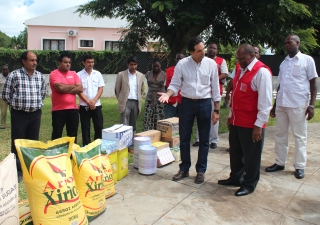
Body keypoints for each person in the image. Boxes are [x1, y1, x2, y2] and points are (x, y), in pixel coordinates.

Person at [158, 36, 220, 184]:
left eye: (203, 49)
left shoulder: (211, 64)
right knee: (184, 138)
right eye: (199, 50)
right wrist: (167, 94)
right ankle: (184, 168)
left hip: (205, 103)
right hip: (186, 104)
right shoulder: (182, 64)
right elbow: (174, 85)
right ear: (191, 52)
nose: (203, 52)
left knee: (204, 139)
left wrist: (216, 109)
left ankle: (200, 170)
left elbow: (215, 88)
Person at [218, 44, 272, 196]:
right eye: (238, 58)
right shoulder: (241, 70)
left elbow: (265, 103)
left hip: (251, 123)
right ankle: (236, 178)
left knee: (251, 156)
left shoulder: (261, 72)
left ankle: (249, 184)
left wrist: (259, 126)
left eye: (242, 59)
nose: (239, 61)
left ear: (251, 56)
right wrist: (230, 116)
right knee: (235, 153)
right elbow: (236, 95)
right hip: (236, 120)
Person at [265, 34, 318, 179]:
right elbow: (281, 85)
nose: (287, 45)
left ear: (298, 43)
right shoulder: (284, 63)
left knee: (299, 136)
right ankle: (279, 162)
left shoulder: (307, 60)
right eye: (285, 43)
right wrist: (275, 105)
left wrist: (312, 105)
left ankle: (300, 166)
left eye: (289, 42)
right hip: (282, 104)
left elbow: (313, 83)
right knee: (280, 135)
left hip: (298, 104)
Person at [2, 51, 46, 180]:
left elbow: (43, 93)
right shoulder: (14, 75)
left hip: (36, 113)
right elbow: (5, 94)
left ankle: (30, 169)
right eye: (31, 60)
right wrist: (16, 104)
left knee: (32, 142)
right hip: (19, 114)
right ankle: (18, 171)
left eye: (35, 60)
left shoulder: (39, 76)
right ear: (23, 61)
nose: (34, 63)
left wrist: (36, 103)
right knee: (18, 142)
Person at [193, 43, 228, 149]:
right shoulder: (202, 59)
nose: (212, 50)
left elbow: (225, 73)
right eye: (210, 48)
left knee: (214, 117)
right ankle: (199, 139)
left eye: (214, 48)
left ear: (217, 50)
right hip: (203, 93)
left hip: (215, 94)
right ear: (207, 49)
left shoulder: (221, 61)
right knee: (201, 117)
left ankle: (213, 140)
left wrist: (213, 79)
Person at [49, 53, 83, 142]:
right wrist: (73, 85)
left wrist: (65, 89)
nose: (68, 64)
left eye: (69, 62)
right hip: (58, 110)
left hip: (73, 109)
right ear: (59, 63)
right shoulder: (54, 74)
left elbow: (80, 88)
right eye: (65, 62)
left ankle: (71, 154)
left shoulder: (73, 74)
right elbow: (60, 88)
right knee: (57, 133)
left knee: (72, 134)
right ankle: (56, 154)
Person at [77, 54, 105, 146]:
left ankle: (97, 146)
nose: (91, 64)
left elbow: (100, 89)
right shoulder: (78, 75)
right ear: (83, 63)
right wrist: (88, 102)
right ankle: (87, 147)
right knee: (85, 128)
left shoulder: (98, 74)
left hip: (96, 106)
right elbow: (79, 91)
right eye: (88, 62)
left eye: (92, 62)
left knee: (99, 127)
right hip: (84, 107)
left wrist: (93, 101)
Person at [115, 56, 144, 133]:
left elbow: (141, 89)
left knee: (133, 123)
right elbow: (117, 89)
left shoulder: (140, 75)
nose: (133, 66)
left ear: (137, 65)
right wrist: (121, 99)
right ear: (128, 64)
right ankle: (124, 142)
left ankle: (132, 141)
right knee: (124, 123)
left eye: (135, 64)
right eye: (131, 64)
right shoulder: (121, 74)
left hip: (136, 101)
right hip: (125, 101)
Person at [143, 58, 166, 131]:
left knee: (158, 118)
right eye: (154, 66)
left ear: (160, 66)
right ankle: (148, 133)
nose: (156, 68)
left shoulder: (164, 75)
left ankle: (158, 133)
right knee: (148, 117)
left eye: (157, 66)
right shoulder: (148, 74)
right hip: (149, 98)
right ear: (152, 66)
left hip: (160, 99)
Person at [164, 53, 185, 119]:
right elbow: (166, 85)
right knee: (168, 122)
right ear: (175, 60)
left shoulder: (188, 71)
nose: (179, 60)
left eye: (181, 59)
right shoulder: (169, 71)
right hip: (171, 101)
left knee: (182, 123)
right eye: (177, 59)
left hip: (183, 101)